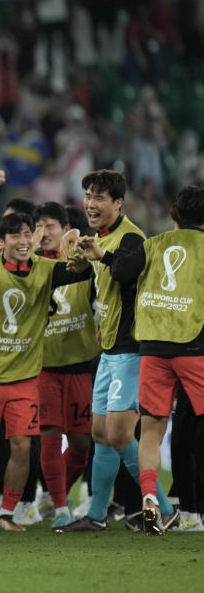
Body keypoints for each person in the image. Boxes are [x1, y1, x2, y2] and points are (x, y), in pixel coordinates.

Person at [0, 212, 93, 531]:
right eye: (15, 236)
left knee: (22, 444)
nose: (23, 241)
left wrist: (82, 260)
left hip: (24, 379)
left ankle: (7, 514)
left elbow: (81, 274)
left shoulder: (46, 269)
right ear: (2, 240)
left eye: (27, 234)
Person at [75, 184, 204, 534]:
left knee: (148, 432)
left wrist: (101, 256)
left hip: (150, 350)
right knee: (110, 432)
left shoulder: (151, 244)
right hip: (194, 348)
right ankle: (163, 507)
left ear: (174, 215)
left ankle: (150, 497)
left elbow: (121, 271)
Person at [55, 170, 176, 532]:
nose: (90, 204)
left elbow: (123, 272)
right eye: (88, 196)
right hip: (108, 348)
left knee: (120, 435)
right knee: (99, 434)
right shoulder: (98, 238)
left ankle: (165, 508)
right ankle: (96, 516)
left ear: (118, 203)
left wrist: (98, 255)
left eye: (99, 197)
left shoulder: (132, 238)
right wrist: (81, 265)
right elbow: (102, 283)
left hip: (131, 349)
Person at [33, 202, 100, 529]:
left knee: (80, 443)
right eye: (39, 227)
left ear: (64, 229)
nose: (44, 233)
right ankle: (60, 507)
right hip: (44, 366)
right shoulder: (30, 267)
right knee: (49, 435)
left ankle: (56, 495)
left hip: (79, 364)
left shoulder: (83, 264)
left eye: (50, 226)